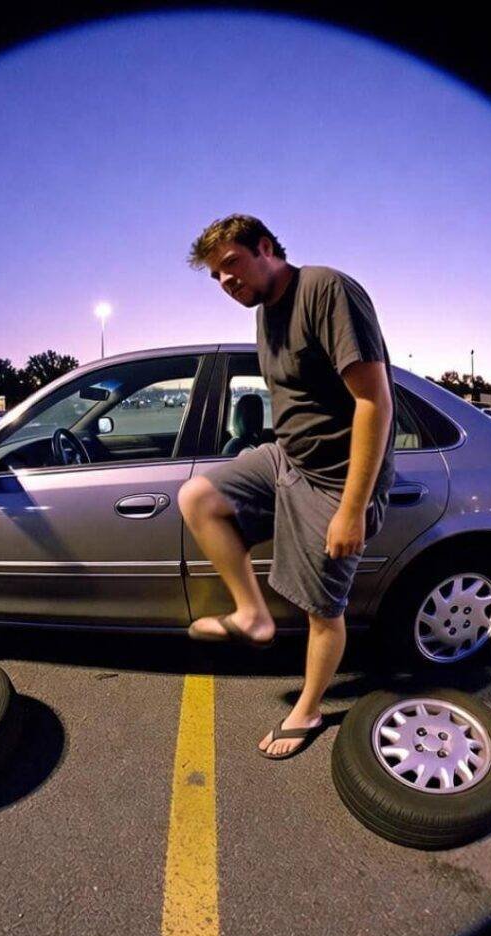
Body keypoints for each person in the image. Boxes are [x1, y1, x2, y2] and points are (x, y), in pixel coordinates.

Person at [177, 214, 397, 759]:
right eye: (216, 277)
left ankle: (310, 708)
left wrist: (353, 508)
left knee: (323, 612)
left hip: (334, 480)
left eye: (231, 264)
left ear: (267, 247)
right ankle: (251, 615)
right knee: (197, 497)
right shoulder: (264, 313)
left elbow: (375, 402)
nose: (227, 282)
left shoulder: (326, 290)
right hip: (286, 459)